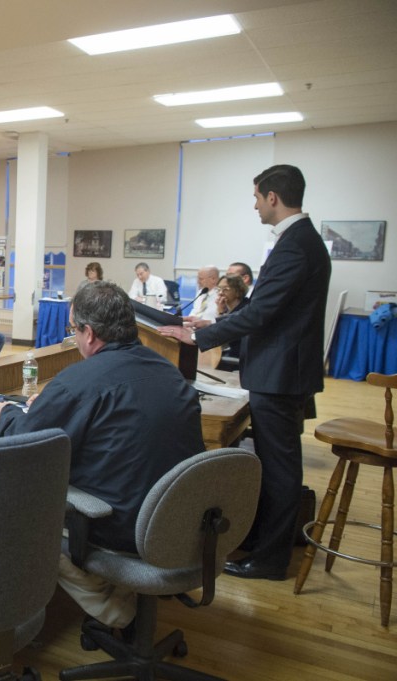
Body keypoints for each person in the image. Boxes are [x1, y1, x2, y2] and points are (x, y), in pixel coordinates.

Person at [0, 281, 203, 630]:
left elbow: (26, 443)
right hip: (178, 520)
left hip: (123, 529)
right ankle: (121, 591)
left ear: (88, 333)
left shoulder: (78, 381)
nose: (73, 337)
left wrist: (6, 415)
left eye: (72, 330)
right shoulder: (168, 371)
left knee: (14, 513)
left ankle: (112, 605)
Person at [159, 164, 331, 581]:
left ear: (272, 197)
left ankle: (271, 559)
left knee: (280, 468)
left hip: (280, 374)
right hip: (281, 371)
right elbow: (262, 307)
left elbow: (265, 313)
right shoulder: (300, 241)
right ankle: (265, 544)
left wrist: (198, 338)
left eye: (256, 197)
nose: (254, 206)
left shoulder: (294, 245)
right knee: (276, 464)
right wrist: (211, 325)